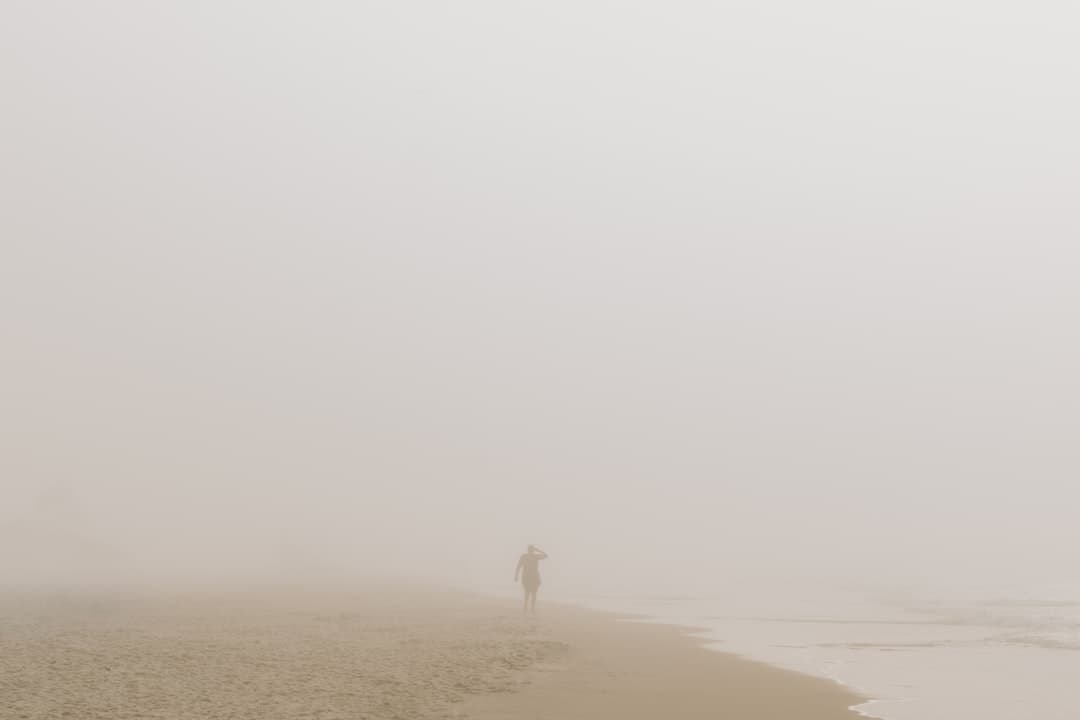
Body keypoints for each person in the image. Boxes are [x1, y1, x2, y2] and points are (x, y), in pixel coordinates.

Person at [514, 544, 548, 614]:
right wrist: (538, 550)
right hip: (532, 577)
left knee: (528, 593)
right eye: (532, 550)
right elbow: (545, 555)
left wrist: (516, 575)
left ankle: (527, 608)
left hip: (529, 577)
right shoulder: (534, 556)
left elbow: (518, 566)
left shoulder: (525, 556)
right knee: (533, 593)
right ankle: (531, 609)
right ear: (532, 550)